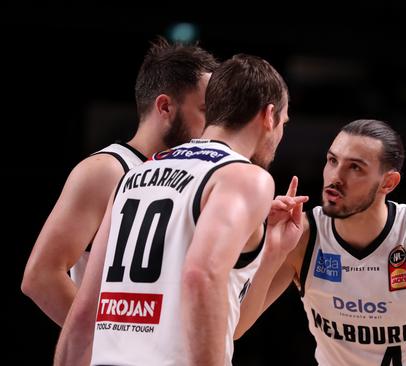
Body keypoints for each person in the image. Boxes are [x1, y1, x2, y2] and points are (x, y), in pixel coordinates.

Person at [54, 53, 297, 366]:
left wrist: (273, 250)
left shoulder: (136, 174)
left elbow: (86, 307)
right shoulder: (247, 177)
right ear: (269, 115)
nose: (280, 136)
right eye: (284, 124)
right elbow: (200, 275)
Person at [237, 119, 406, 365]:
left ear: (388, 182)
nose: (336, 176)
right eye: (332, 160)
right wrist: (272, 250)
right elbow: (236, 328)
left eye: (355, 167)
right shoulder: (302, 235)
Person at [21, 37, 218, 326]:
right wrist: (107, 344)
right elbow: (41, 277)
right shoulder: (106, 170)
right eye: (204, 111)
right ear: (164, 107)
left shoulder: (194, 177)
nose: (212, 125)